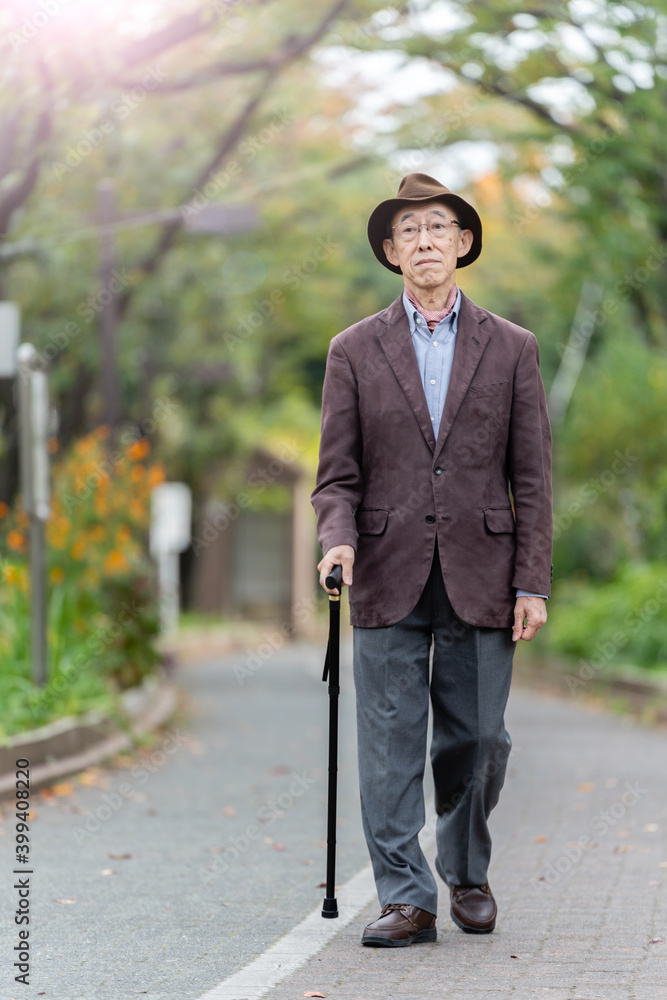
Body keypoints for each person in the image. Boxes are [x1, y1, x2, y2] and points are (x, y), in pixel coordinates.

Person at [310, 172, 553, 947]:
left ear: (463, 243)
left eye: (437, 227)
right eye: (408, 230)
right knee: (387, 739)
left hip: (483, 571)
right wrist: (336, 538)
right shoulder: (352, 350)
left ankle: (466, 869)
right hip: (383, 566)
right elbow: (336, 475)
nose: (424, 241)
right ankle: (406, 898)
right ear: (390, 250)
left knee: (479, 738)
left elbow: (532, 477)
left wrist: (532, 581)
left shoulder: (513, 348)